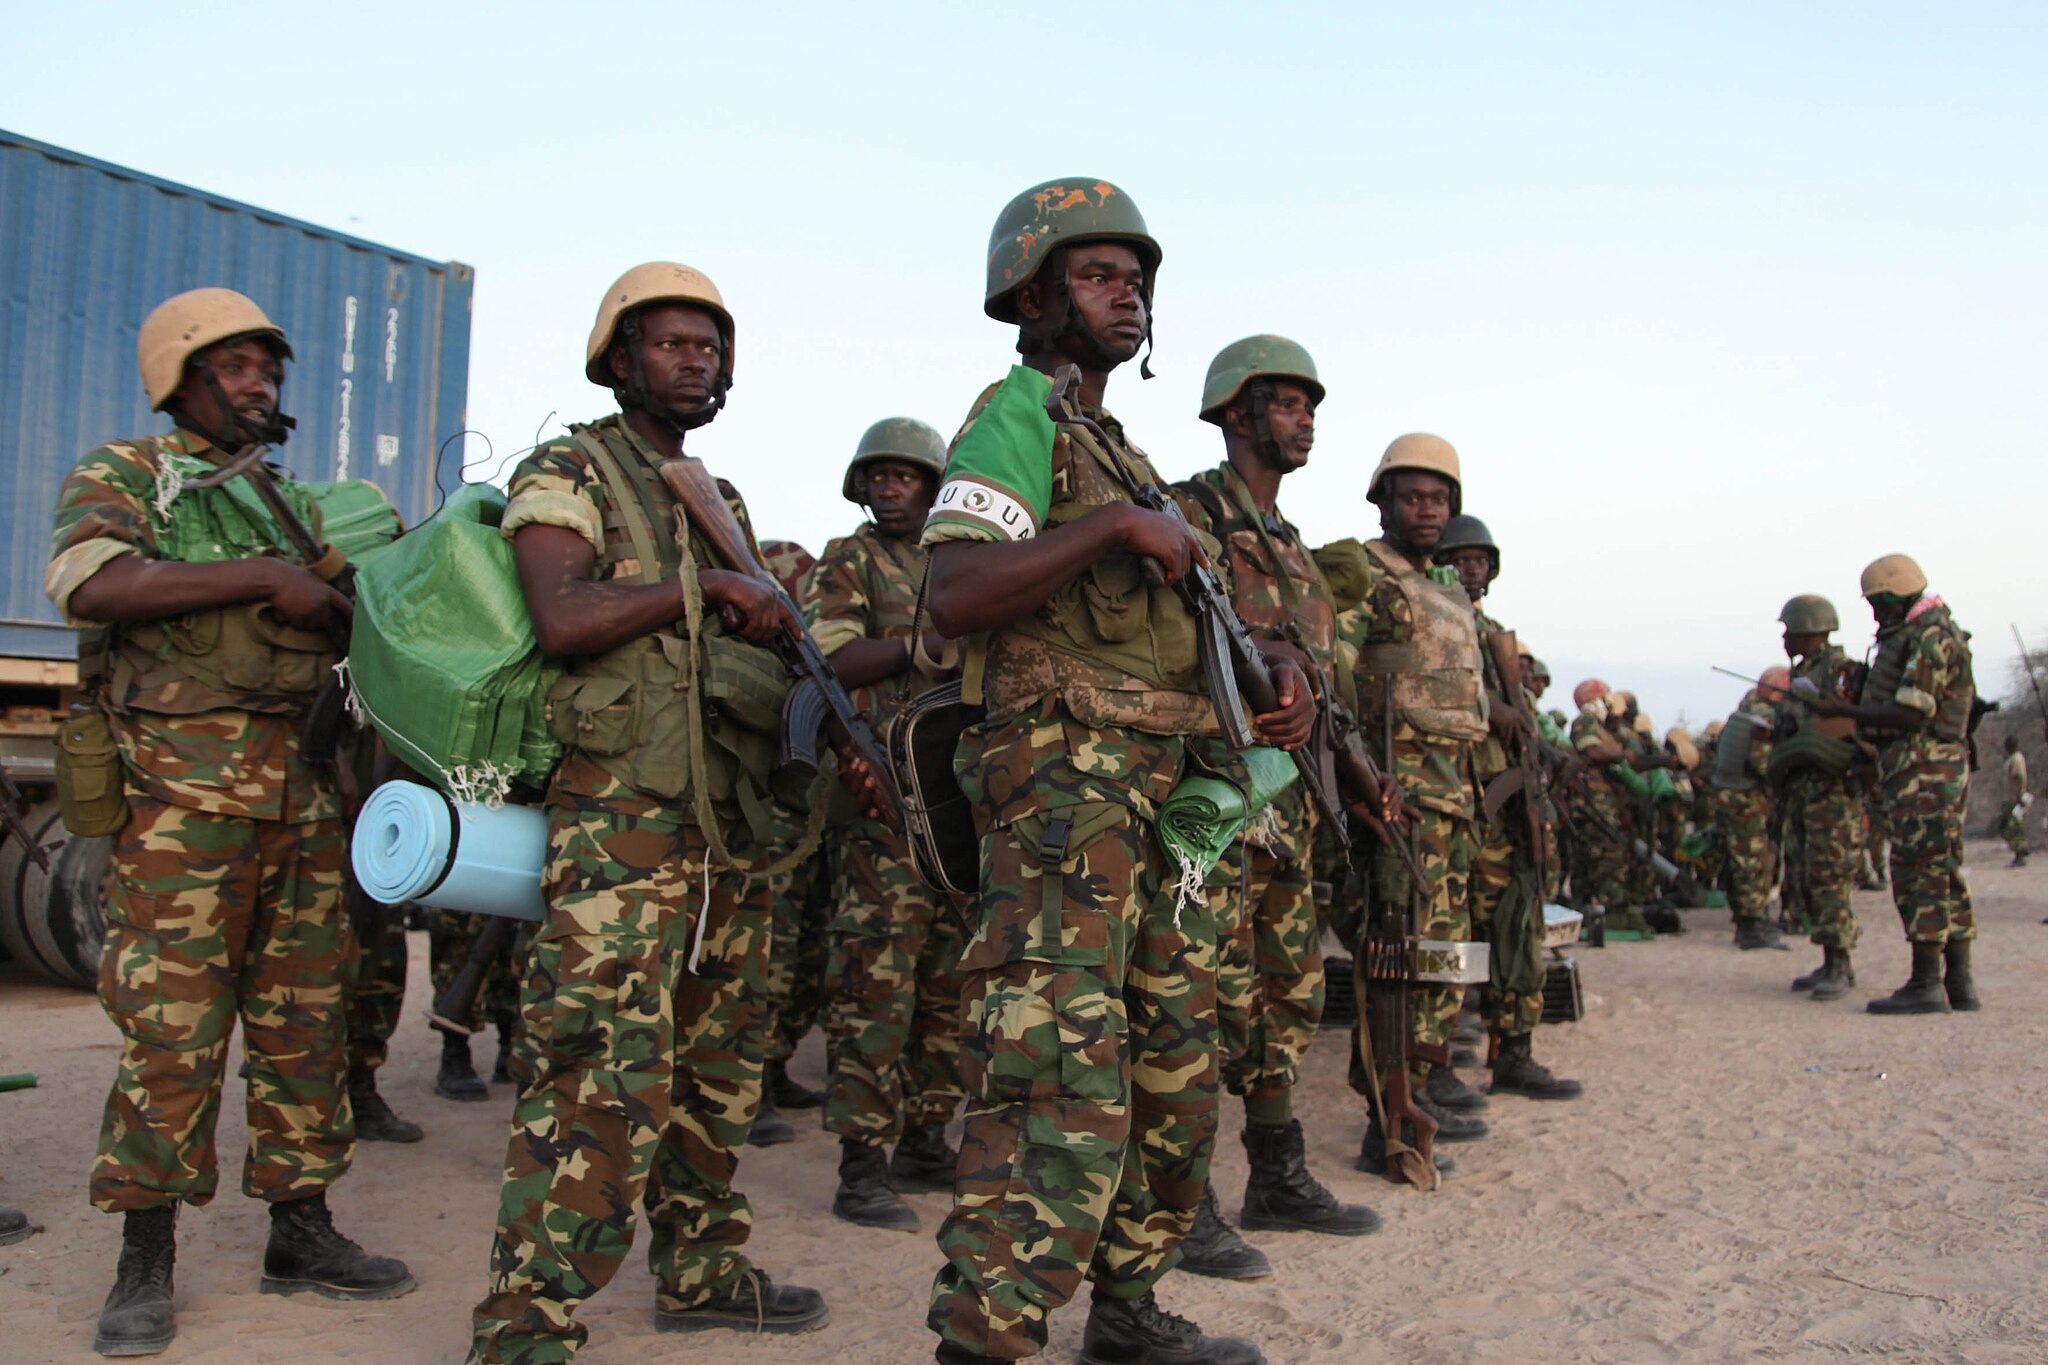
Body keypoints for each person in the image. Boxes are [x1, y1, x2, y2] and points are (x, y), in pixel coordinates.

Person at [919, 178, 1313, 1365]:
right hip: (1059, 794)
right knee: (1054, 1080)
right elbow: (955, 592)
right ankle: (983, 1342)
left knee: (1175, 1065)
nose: (1123, 290)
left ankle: (1128, 1311)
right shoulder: (1015, 416)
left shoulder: (1120, 450)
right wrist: (1107, 531)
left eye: (1131, 275)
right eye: (1095, 274)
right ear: (1032, 295)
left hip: (1160, 802)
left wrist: (1269, 666)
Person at [467, 263, 829, 1362]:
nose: (693, 361)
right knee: (598, 1072)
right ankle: (525, 1324)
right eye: (669, 345)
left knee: (717, 1070)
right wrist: (705, 591)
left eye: (708, 347)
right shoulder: (571, 467)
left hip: (727, 830)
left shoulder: (721, 501)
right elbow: (561, 611)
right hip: (618, 825)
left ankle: (702, 1268)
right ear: (618, 360)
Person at [47, 288, 414, 1357]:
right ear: (182, 377)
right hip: (181, 804)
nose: (262, 386)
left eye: (270, 369)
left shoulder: (289, 505)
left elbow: (352, 615)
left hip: (298, 801)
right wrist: (258, 580)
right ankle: (143, 1260)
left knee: (306, 1023)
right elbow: (91, 583)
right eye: (239, 367)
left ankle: (301, 1230)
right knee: (172, 1035)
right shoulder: (127, 474)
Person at [1168, 337, 1379, 1281]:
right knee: (1194, 1004)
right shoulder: (1186, 513)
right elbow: (1169, 633)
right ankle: (1185, 1205)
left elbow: (1319, 690)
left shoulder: (1296, 550)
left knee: (1284, 996)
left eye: (1308, 405)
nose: (1305, 420)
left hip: (1286, 809)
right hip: (1209, 805)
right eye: (1286, 403)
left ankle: (1277, 1173)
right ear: (1235, 412)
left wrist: (1368, 784)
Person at [807, 417, 968, 1229]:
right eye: (878, 475)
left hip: (956, 802)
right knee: (875, 981)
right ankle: (860, 1161)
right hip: (884, 803)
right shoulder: (851, 558)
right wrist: (923, 645)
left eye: (906, 475)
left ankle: (926, 1132)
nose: (889, 486)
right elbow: (831, 658)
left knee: (947, 978)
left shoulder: (954, 561)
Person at [1320, 434, 1494, 1162]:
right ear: (1384, 502)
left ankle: (1424, 1083)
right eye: (1412, 497)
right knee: (1395, 959)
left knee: (1446, 958)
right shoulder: (1366, 576)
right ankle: (1382, 1116)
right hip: (1397, 798)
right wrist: (1360, 781)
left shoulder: (1449, 593)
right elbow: (1333, 674)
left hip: (1453, 800)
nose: (1427, 510)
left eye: (1439, 498)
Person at [1435, 514, 1581, 1101]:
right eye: (1462, 557)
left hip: (1498, 800)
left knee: (1513, 919)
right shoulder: (1434, 617)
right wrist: (1486, 707)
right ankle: (1438, 1052)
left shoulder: (1489, 628)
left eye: (1480, 560)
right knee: (1447, 932)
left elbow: (1513, 719)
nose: (1472, 568)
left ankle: (1513, 1049)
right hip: (1447, 796)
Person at [1811, 554, 1979, 1014]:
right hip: (1925, 766)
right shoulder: (1923, 634)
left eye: (1876, 603)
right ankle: (1958, 984)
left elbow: (1912, 711)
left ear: (1892, 597)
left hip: (1925, 769)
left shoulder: (1930, 638)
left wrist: (1847, 713)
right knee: (1942, 870)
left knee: (1919, 870)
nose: (1874, 613)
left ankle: (1927, 983)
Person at [750, 536, 833, 1148]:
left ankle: (775, 1067)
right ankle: (750, 1084)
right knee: (769, 952)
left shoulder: (809, 650)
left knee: (806, 948)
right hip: (772, 814)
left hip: (817, 812)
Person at [1772, 595, 1866, 1000]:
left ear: (1809, 630)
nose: (1785, 639)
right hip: (1802, 789)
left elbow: (1854, 725)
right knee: (1808, 876)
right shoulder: (1802, 677)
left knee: (1830, 875)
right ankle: (1828, 958)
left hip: (1831, 791)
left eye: (1789, 631)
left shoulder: (1842, 673)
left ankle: (1840, 962)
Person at [1710, 666, 1792, 950]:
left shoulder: (1742, 712)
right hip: (1746, 799)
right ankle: (1752, 925)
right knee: (1752, 863)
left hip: (1730, 797)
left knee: (1738, 861)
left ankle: (1748, 920)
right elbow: (1762, 763)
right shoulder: (1764, 717)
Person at [1998, 735, 2029, 867]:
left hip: (2014, 799)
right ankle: (2019, 851)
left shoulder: (2017, 759)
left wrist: (2019, 796)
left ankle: (2021, 854)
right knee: (2006, 827)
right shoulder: (2010, 759)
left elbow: (2019, 778)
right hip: (2009, 798)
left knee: (2014, 827)